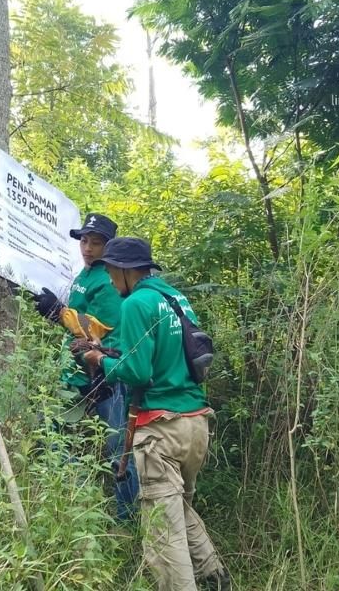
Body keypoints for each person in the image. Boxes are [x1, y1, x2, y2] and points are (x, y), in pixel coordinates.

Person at [82, 237, 230, 591]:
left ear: (124, 270)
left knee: (164, 533)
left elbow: (136, 372)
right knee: (178, 510)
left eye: (111, 271)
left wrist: (100, 359)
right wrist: (115, 350)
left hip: (161, 430)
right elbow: (164, 354)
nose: (110, 279)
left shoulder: (136, 303)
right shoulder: (174, 298)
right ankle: (214, 577)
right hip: (195, 424)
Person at [31, 213, 139, 521]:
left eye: (95, 243)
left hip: (106, 375)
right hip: (78, 371)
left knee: (118, 447)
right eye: (84, 241)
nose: (87, 248)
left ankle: (126, 520)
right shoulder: (84, 274)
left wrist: (61, 314)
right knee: (51, 430)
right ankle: (76, 502)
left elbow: (103, 330)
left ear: (109, 246)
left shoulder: (108, 280)